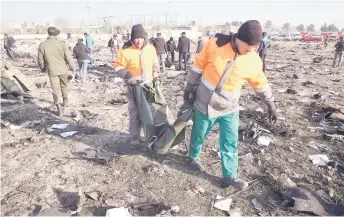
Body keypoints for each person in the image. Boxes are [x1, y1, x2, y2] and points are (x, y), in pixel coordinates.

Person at [183, 20, 277, 190]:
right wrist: (188, 90)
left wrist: (271, 103)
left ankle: (230, 176)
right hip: (206, 104)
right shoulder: (214, 45)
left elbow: (260, 82)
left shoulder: (253, 60)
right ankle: (193, 156)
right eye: (248, 44)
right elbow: (197, 68)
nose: (250, 49)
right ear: (238, 38)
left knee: (230, 142)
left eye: (254, 46)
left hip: (229, 108)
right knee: (199, 133)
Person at [113, 24, 160, 145]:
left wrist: (155, 72)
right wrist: (129, 76)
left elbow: (155, 62)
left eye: (141, 38)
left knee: (149, 112)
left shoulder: (150, 48)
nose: (139, 41)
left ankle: (148, 136)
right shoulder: (125, 51)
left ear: (144, 37)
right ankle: (134, 137)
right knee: (135, 113)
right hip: (133, 87)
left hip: (148, 86)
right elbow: (118, 67)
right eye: (136, 38)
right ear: (132, 38)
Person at [38, 27, 76, 117]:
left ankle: (59, 108)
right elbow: (68, 58)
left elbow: (40, 60)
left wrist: (43, 68)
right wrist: (73, 68)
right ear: (57, 34)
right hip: (63, 70)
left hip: (52, 70)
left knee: (55, 89)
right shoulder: (62, 44)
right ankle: (65, 102)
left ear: (48, 34)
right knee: (64, 86)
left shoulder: (42, 45)